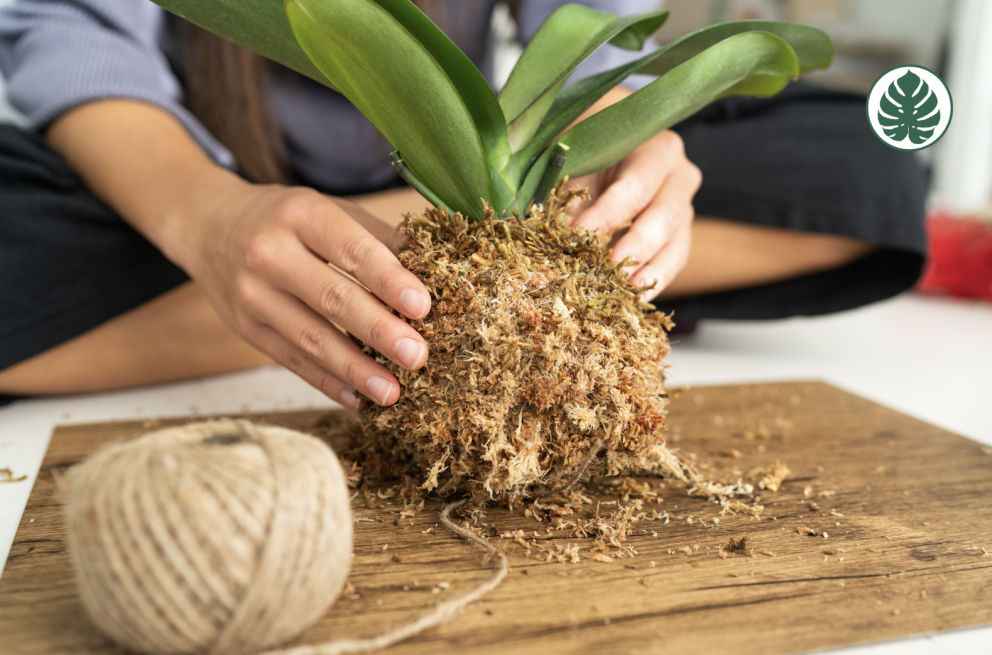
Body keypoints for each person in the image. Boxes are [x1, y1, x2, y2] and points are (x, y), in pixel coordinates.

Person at [0, 0, 925, 408]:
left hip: (473, 178)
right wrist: (208, 220)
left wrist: (624, 138)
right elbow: (74, 36)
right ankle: (469, 286)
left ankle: (424, 273)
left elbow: (602, 37)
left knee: (871, 153)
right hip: (189, 182)